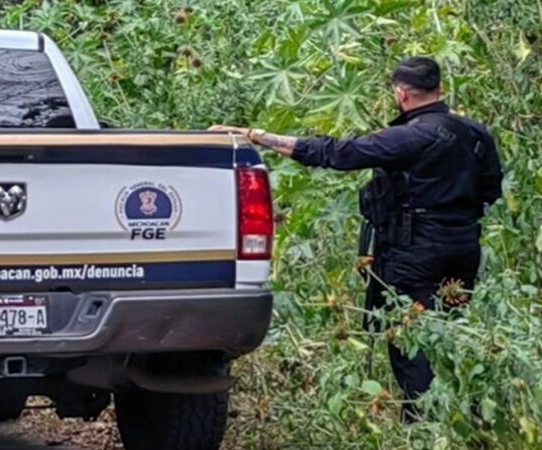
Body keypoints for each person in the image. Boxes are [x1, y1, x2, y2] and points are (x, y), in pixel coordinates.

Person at [209, 56, 503, 421]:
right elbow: (492, 189)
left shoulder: (408, 138)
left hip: (414, 252)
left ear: (400, 93)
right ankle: (472, 416)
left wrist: (256, 136)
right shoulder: (476, 133)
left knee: (408, 339)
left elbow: (335, 153)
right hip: (463, 248)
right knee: (453, 332)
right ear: (439, 88)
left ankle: (426, 427)